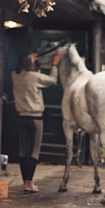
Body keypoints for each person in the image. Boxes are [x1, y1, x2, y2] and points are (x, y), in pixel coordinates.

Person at [11, 49, 61, 193]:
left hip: (22, 117)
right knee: (35, 150)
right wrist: (55, 65)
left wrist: (31, 58)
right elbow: (52, 80)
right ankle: (28, 182)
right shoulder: (34, 76)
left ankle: (25, 182)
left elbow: (25, 66)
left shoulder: (15, 75)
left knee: (23, 149)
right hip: (35, 117)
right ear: (29, 61)